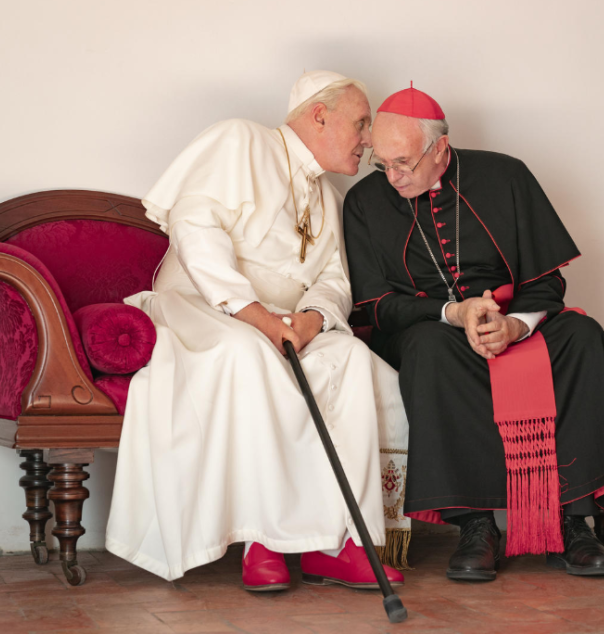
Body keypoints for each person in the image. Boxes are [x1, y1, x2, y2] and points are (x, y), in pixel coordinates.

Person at [343, 85, 604, 581]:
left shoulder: (506, 176)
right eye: (382, 163)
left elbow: (547, 280)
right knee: (426, 349)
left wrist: (513, 325)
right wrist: (453, 314)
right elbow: (374, 303)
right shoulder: (363, 203)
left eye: (403, 164)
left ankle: (574, 524)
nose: (391, 177)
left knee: (583, 336)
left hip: (516, 323)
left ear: (439, 150)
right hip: (434, 330)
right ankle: (477, 528)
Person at [105, 71, 409, 592]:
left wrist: (312, 320)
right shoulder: (241, 140)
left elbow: (334, 278)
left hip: (285, 325)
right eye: (360, 124)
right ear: (319, 114)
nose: (368, 139)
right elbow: (195, 229)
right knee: (250, 353)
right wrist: (258, 316)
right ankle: (262, 541)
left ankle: (339, 543)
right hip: (203, 307)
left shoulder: (331, 198)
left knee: (351, 360)